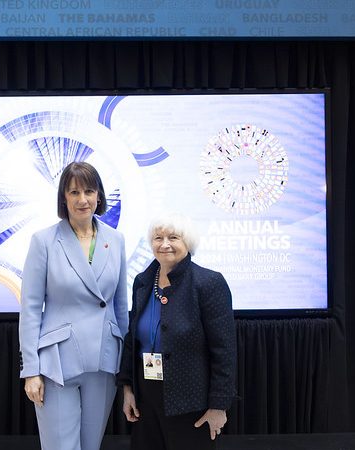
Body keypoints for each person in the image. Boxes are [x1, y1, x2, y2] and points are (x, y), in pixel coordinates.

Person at [19, 161, 128, 450]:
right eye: (74, 192)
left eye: (89, 191)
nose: (83, 200)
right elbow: (30, 308)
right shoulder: (43, 241)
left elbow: (120, 306)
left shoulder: (115, 240)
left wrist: (126, 369)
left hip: (104, 360)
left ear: (99, 196)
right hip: (57, 362)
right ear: (63, 198)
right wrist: (31, 370)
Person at [117, 214, 236, 450]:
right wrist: (128, 389)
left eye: (173, 237)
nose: (164, 244)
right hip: (146, 399)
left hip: (191, 402)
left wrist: (219, 406)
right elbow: (133, 339)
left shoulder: (208, 283)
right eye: (158, 238)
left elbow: (224, 350)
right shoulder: (142, 281)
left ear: (187, 242)